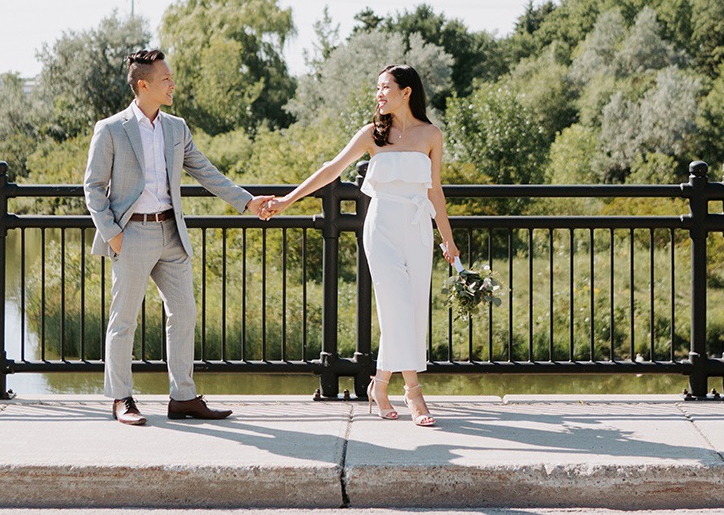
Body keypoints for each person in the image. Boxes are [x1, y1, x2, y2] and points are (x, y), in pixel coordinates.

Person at [83, 48, 274, 426]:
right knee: (124, 320)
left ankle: (183, 398)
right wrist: (113, 234)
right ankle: (122, 398)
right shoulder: (111, 129)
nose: (173, 84)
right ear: (143, 85)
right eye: (166, 79)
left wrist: (249, 202)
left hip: (172, 232)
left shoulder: (176, 128)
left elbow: (208, 173)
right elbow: (92, 187)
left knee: (184, 313)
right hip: (131, 233)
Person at [261, 64, 458, 426]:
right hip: (381, 227)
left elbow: (435, 191)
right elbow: (331, 169)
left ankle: (379, 385)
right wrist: (288, 200)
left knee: (412, 310)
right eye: (377, 88)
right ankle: (413, 393)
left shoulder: (431, 135)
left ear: (406, 92)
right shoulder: (372, 135)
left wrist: (447, 238)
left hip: (416, 228)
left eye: (385, 87)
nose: (379, 94)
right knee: (396, 304)